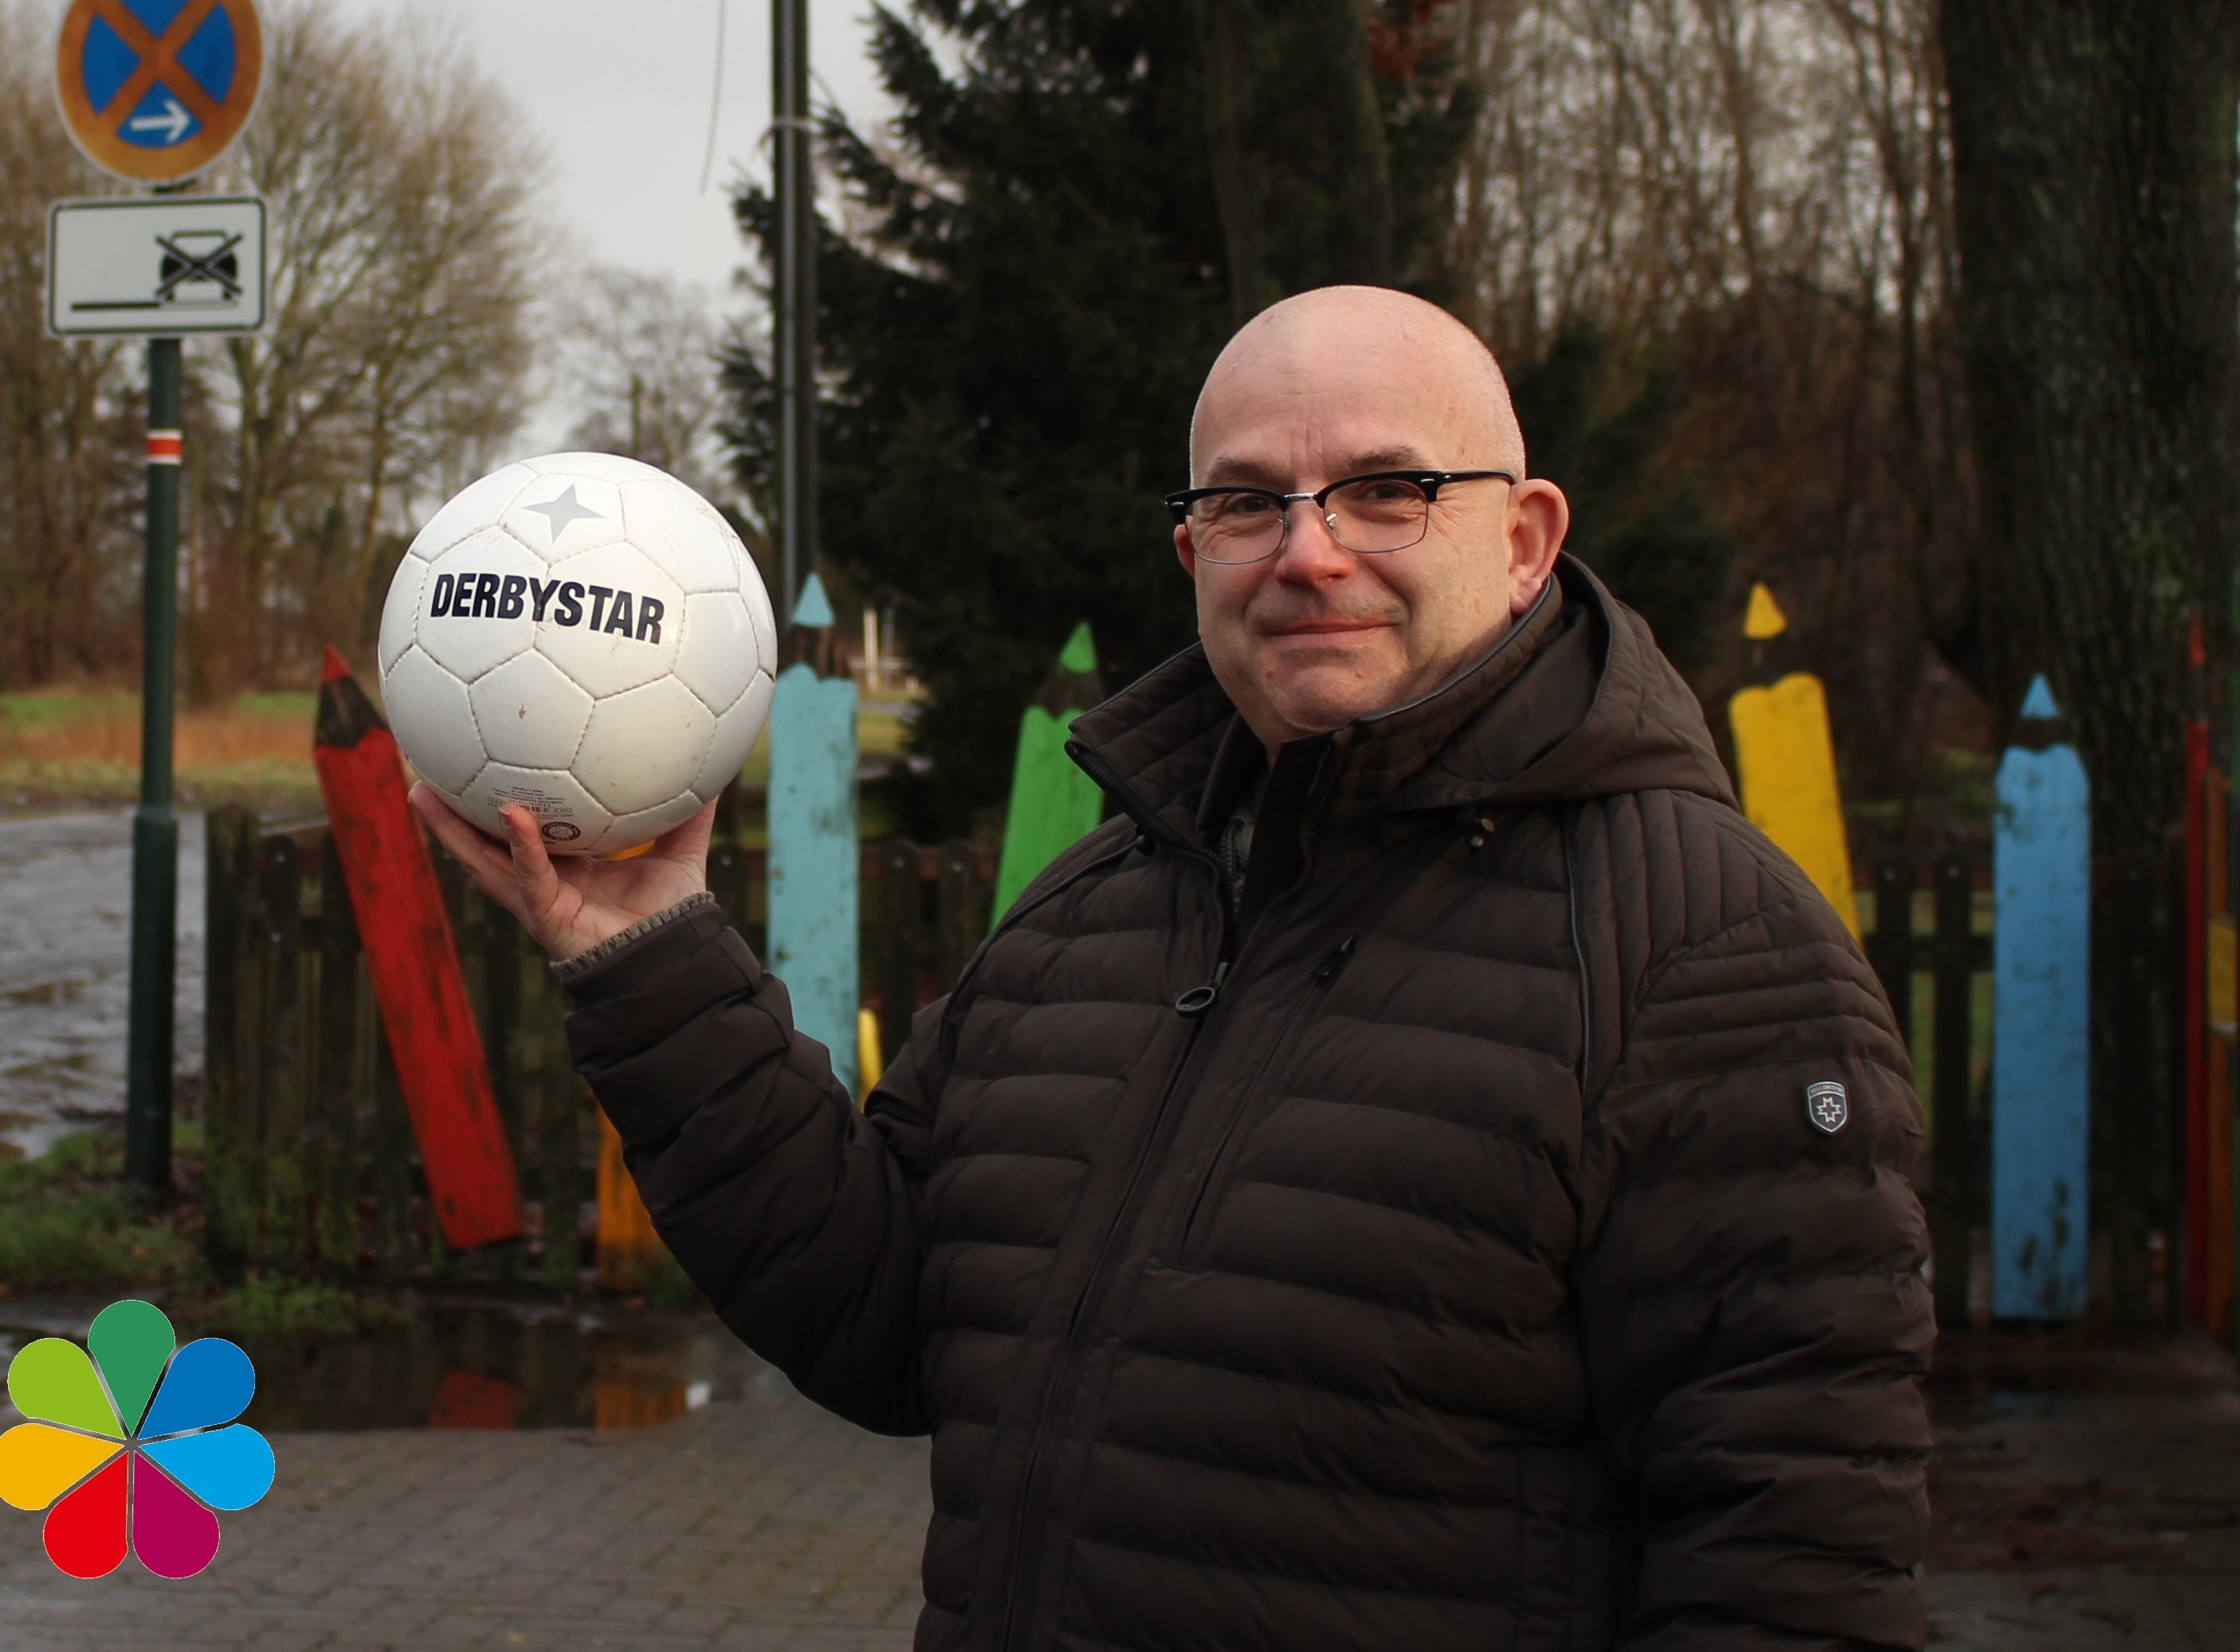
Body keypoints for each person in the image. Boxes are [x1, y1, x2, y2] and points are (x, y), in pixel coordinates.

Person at [413, 284, 1932, 1651]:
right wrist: (652, 957)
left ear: (1525, 540)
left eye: (1387, 490)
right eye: (1248, 501)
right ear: (1193, 550)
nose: (1309, 551)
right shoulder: (1093, 911)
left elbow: (1789, 1570)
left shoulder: (1704, 952)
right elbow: (879, 1318)